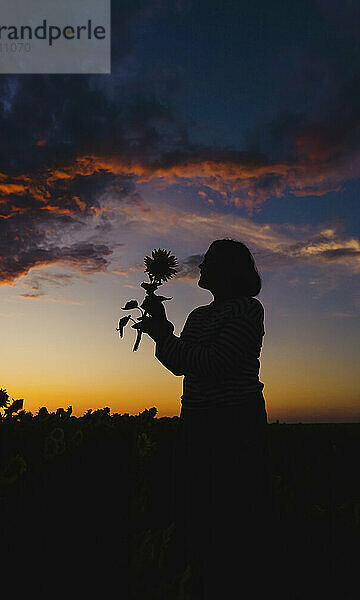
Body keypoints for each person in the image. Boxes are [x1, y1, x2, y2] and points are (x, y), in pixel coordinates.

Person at [135, 238, 275, 599]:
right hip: (196, 421)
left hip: (234, 423)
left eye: (210, 262)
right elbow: (180, 363)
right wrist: (162, 332)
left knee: (233, 509)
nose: (202, 267)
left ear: (230, 271)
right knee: (196, 506)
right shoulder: (198, 316)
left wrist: (166, 336)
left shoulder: (247, 309)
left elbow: (212, 362)